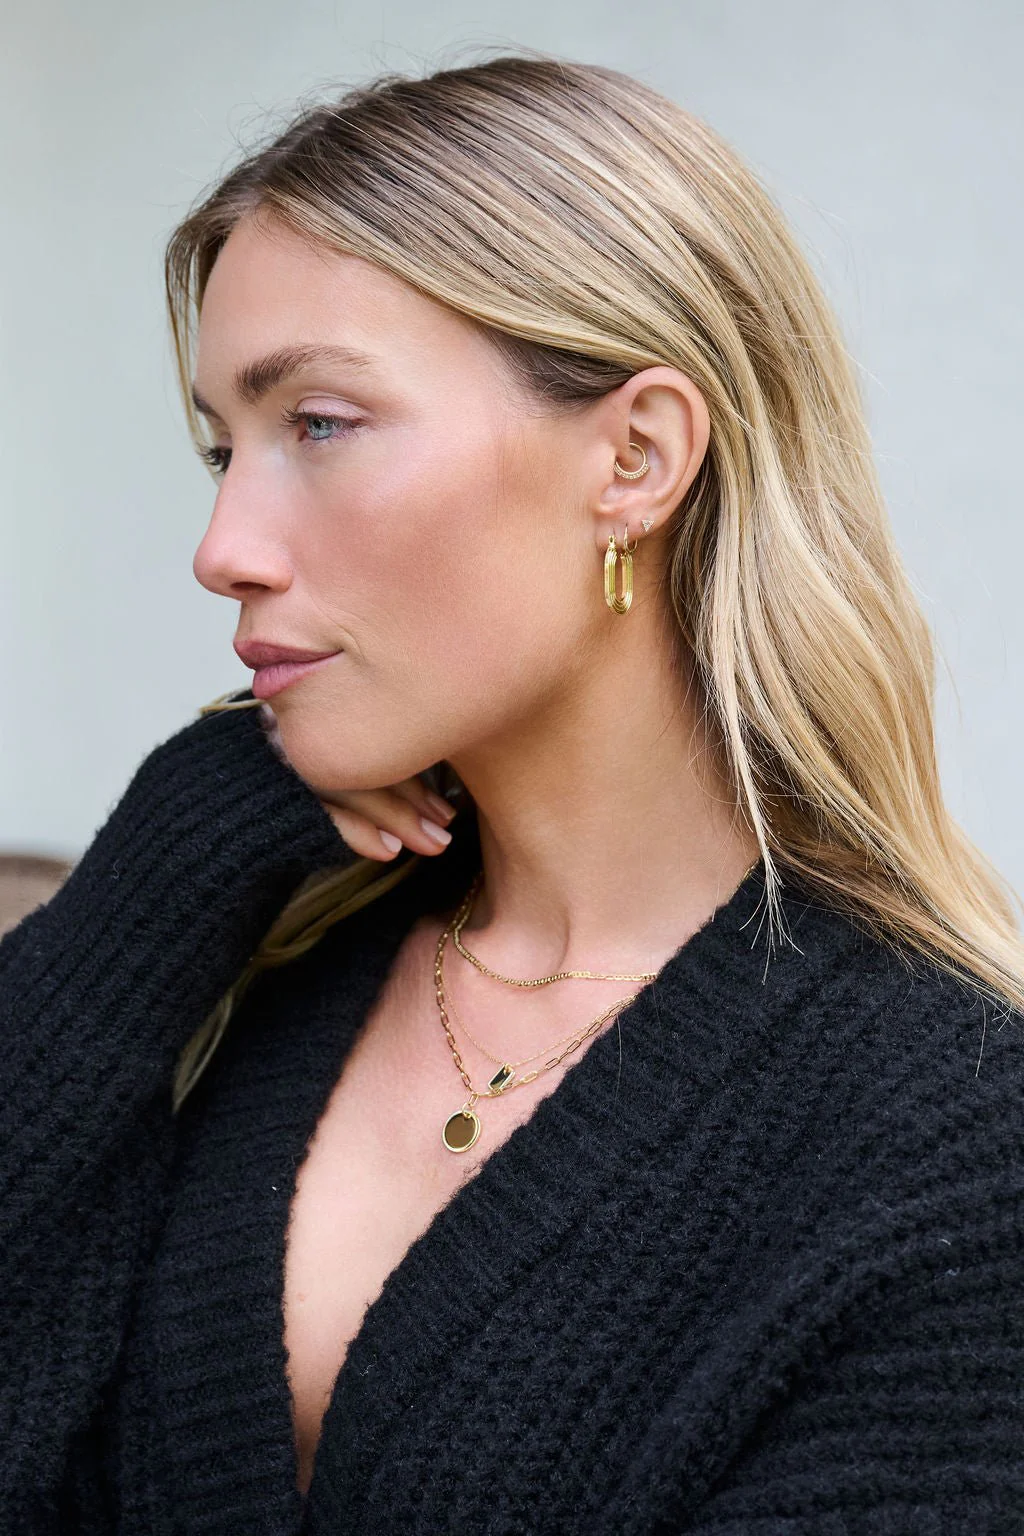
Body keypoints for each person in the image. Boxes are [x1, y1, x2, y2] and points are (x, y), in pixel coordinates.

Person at [3, 50, 1022, 1536]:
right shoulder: (235, 972)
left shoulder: (946, 1139)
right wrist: (158, 874)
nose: (222, 547)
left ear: (637, 458)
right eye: (226, 449)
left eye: (320, 424)